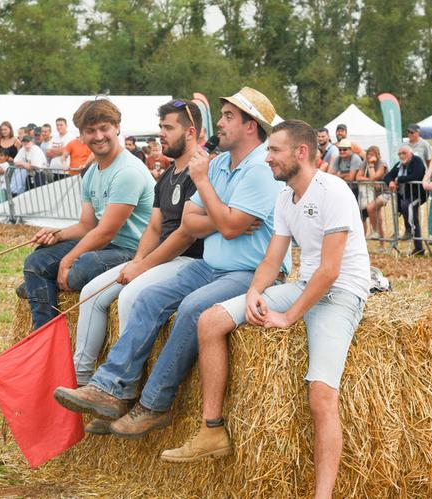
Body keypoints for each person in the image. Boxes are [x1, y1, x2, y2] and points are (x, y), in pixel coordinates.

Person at [52, 87, 289, 440]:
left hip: (249, 272)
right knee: (146, 297)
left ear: (251, 126)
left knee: (193, 309)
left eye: (228, 117)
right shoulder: (221, 163)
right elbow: (192, 223)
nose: (219, 124)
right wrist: (222, 214)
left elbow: (228, 225)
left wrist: (206, 187)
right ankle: (111, 388)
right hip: (211, 264)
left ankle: (153, 405)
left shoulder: (257, 170)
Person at [160, 120, 370, 499]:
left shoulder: (333, 191)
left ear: (300, 153)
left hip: (340, 293)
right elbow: (273, 260)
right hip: (306, 286)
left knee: (321, 396)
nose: (268, 157)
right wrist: (257, 291)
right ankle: (212, 429)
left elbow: (330, 270)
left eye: (274, 150)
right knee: (211, 320)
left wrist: (289, 317)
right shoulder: (284, 195)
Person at [70, 99, 205, 405]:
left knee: (131, 295)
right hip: (162, 257)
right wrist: (139, 260)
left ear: (189, 132)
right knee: (90, 294)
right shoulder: (168, 174)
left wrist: (143, 266)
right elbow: (154, 229)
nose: (161, 135)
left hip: (189, 260)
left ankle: (120, 389)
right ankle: (83, 380)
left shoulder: (200, 172)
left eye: (168, 128)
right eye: (161, 127)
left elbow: (185, 235)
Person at [20, 99, 155, 329]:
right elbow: (87, 225)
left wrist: (66, 260)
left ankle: (37, 287)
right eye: (90, 131)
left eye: (105, 128)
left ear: (117, 128)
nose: (99, 136)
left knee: (82, 265)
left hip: (132, 251)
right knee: (36, 260)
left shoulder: (128, 171)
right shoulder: (92, 172)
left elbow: (105, 231)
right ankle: (45, 336)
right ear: (81, 135)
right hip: (108, 245)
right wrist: (58, 234)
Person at [383, 145, 427, 255]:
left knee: (409, 208)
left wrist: (399, 179)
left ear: (410, 153)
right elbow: (387, 176)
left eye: (404, 153)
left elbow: (417, 176)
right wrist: (391, 182)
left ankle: (410, 232)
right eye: (399, 154)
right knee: (405, 207)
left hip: (418, 195)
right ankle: (417, 246)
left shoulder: (417, 161)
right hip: (404, 196)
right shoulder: (399, 165)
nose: (401, 155)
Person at [356, 146, 387, 240]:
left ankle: (376, 232)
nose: (370, 156)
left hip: (384, 192)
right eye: (369, 154)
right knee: (378, 218)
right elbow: (358, 177)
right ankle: (381, 244)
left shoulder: (382, 164)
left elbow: (375, 177)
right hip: (371, 192)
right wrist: (371, 182)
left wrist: (372, 165)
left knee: (371, 208)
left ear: (378, 155)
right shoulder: (364, 163)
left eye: (373, 154)